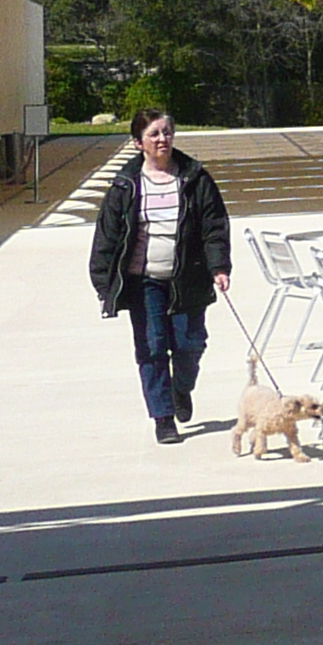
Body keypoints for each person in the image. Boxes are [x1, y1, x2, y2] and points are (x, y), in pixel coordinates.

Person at [87, 108, 234, 444]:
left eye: (167, 132)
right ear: (139, 143)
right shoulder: (126, 185)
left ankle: (181, 388)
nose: (162, 139)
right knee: (152, 347)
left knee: (189, 343)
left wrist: (219, 266)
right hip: (143, 281)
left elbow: (214, 226)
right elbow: (107, 236)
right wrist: (102, 283)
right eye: (154, 134)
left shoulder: (195, 178)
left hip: (188, 277)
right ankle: (163, 417)